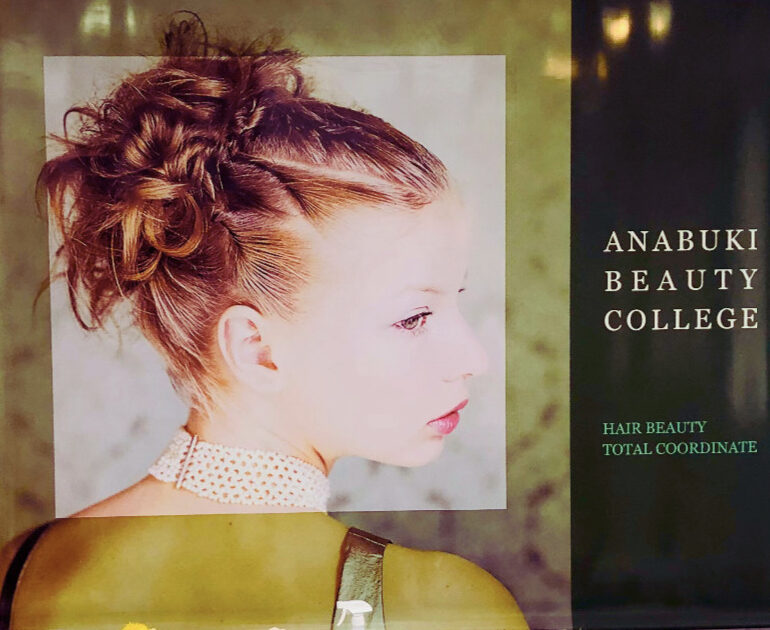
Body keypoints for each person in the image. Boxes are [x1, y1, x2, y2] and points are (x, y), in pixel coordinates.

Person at [0, 19, 527, 630]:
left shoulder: (22, 568)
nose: (473, 359)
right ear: (257, 349)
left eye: (456, 300)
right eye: (414, 317)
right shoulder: (441, 606)